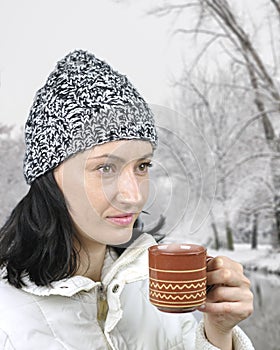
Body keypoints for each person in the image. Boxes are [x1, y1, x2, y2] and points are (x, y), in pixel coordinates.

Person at [0, 50, 254, 350]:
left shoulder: (156, 288)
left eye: (142, 167)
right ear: (50, 175)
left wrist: (218, 332)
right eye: (105, 168)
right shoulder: (8, 320)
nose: (134, 196)